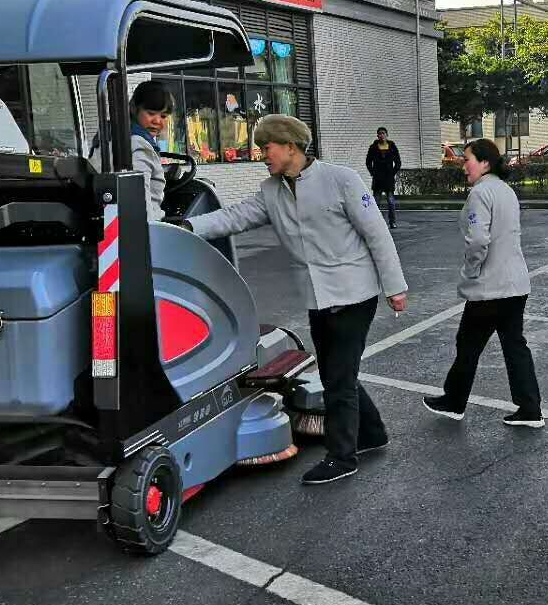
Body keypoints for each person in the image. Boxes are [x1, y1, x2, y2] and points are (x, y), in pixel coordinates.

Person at [181, 115, 409, 487]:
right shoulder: (272, 191)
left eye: (266, 147)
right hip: (317, 297)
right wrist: (189, 226)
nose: (262, 155)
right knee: (337, 372)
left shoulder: (341, 180)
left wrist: (395, 288)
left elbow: (377, 234)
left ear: (290, 146)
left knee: (338, 377)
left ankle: (341, 457)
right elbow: (236, 217)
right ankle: (372, 432)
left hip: (354, 293)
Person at [423, 139, 543, 428]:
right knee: (515, 346)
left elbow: (478, 241)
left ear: (485, 163)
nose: (463, 165)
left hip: (491, 287)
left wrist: (471, 270)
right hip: (515, 283)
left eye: (467, 160)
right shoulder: (505, 190)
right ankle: (530, 408)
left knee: (468, 344)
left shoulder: (480, 192)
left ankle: (454, 402)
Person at [130, 80, 171, 221]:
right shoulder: (139, 144)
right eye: (151, 113)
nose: (157, 121)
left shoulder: (117, 134)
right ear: (134, 108)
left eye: (163, 116)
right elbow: (140, 200)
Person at [365, 127, 401, 227]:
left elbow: (398, 162)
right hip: (378, 179)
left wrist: (393, 172)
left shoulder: (392, 146)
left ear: (386, 135)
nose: (381, 135)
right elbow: (368, 162)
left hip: (388, 178)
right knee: (376, 202)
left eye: (383, 133)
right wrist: (373, 173)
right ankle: (375, 223)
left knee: (391, 201)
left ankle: (392, 221)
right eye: (380, 133)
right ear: (377, 135)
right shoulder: (373, 147)